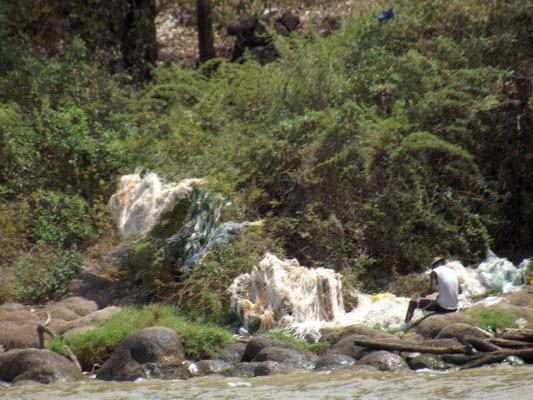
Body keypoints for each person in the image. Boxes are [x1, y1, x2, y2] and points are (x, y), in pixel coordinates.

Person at [403, 256, 460, 325]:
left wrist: (423, 294)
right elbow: (460, 291)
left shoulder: (435, 272)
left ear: (433, 265)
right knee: (436, 299)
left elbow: (432, 289)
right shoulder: (452, 271)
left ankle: (405, 325)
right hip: (455, 307)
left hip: (443, 307)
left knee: (412, 303)